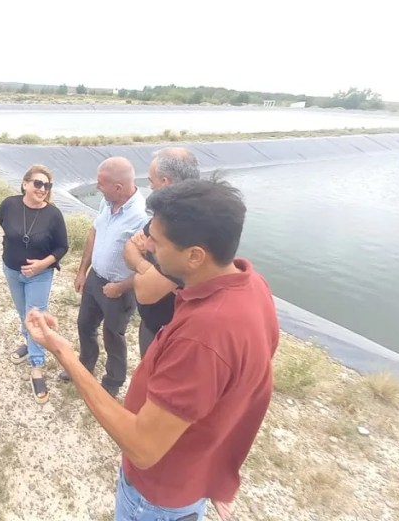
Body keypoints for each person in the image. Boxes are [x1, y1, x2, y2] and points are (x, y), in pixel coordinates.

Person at [26, 179, 279, 521]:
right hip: (189, 479)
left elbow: (143, 448)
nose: (149, 248)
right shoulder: (252, 285)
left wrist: (64, 353)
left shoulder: (204, 336)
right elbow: (243, 392)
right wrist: (215, 472)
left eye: (156, 243)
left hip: (156, 497)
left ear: (195, 256)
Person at [61, 157, 148, 398]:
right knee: (85, 326)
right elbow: (94, 233)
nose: (97, 187)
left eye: (101, 183)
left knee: (114, 336)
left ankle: (112, 382)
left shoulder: (143, 218)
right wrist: (82, 271)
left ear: (118, 187)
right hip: (94, 281)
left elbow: (149, 268)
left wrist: (120, 287)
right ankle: (84, 367)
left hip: (118, 290)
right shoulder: (107, 203)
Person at [0, 164, 69, 403]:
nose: (42, 189)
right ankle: (29, 342)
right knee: (22, 313)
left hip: (40, 275)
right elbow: (3, 223)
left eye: (47, 185)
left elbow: (62, 247)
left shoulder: (53, 214)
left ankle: (36, 367)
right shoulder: (9, 204)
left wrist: (41, 264)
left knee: (35, 317)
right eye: (37, 183)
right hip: (11, 270)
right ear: (25, 184)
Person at [122, 147, 200, 357]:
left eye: (151, 181)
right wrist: (146, 265)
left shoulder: (191, 225)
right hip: (152, 324)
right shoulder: (165, 215)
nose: (150, 187)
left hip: (175, 335)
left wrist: (142, 261)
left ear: (165, 182)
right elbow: (129, 246)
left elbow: (145, 292)